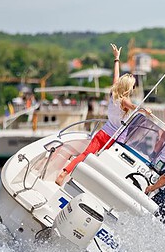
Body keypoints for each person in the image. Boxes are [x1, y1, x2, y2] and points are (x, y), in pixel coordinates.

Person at [55, 43, 151, 186]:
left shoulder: (114, 93)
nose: (133, 88)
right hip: (114, 139)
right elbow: (133, 107)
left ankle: (64, 173)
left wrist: (117, 59)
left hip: (103, 133)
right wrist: (144, 110)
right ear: (128, 87)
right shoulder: (124, 100)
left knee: (85, 155)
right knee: (104, 164)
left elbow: (116, 76)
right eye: (132, 85)